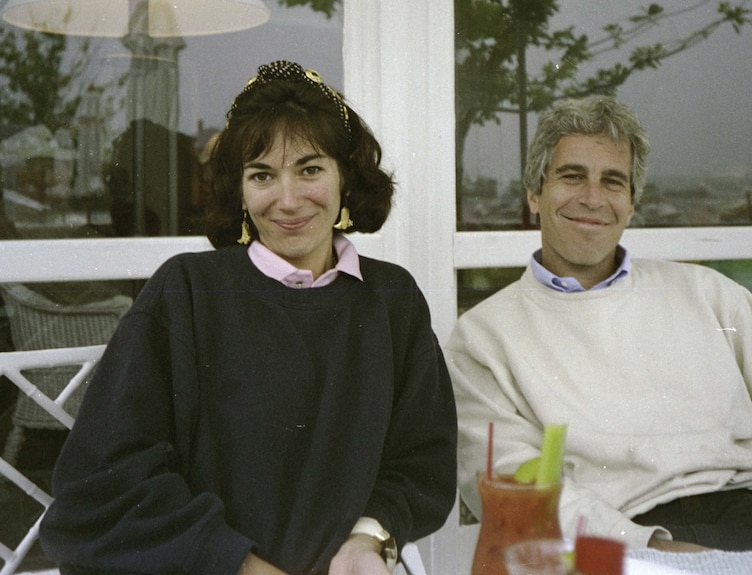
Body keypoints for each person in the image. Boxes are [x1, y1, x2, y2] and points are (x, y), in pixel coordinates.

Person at [40, 60, 457, 575]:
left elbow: (423, 462)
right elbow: (103, 485)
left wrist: (367, 539)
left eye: (310, 169)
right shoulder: (187, 291)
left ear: (345, 176)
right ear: (239, 191)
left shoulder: (392, 298)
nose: (287, 200)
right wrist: (240, 566)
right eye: (262, 175)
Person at [446, 95, 752, 555]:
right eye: (572, 176)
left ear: (631, 202)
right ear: (533, 194)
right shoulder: (484, 336)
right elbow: (512, 484)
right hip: (616, 546)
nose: (592, 198)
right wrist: (647, 549)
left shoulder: (707, 293)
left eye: (613, 181)